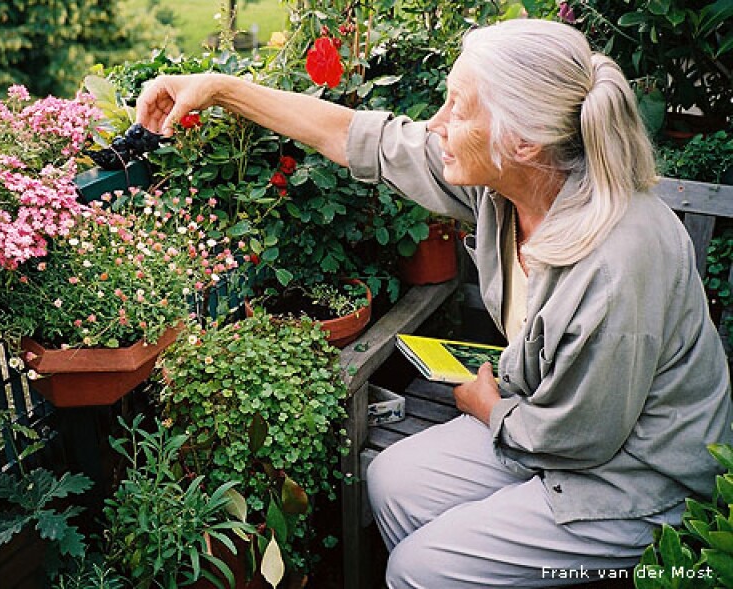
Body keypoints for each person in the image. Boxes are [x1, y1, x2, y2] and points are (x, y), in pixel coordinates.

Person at [137, 18, 733, 588]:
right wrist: (219, 89)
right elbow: (355, 137)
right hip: (542, 417)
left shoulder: (618, 265)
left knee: (419, 571)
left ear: (522, 141)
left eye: (458, 108)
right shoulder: (513, 181)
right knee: (392, 479)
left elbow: (579, 441)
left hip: (633, 479)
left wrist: (485, 407)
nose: (435, 123)